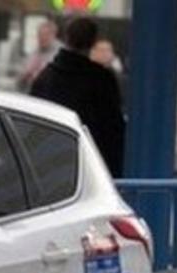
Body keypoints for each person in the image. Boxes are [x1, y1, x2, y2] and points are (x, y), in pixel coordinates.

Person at [30, 18, 126, 177]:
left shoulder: (46, 77)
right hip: (94, 166)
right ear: (93, 41)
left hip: (51, 165)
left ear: (66, 38)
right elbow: (113, 128)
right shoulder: (102, 79)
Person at [17, 20, 60, 93]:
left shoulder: (60, 53)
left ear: (53, 35)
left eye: (46, 34)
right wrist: (25, 75)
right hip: (32, 95)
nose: (42, 38)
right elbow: (18, 84)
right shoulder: (32, 54)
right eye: (40, 35)